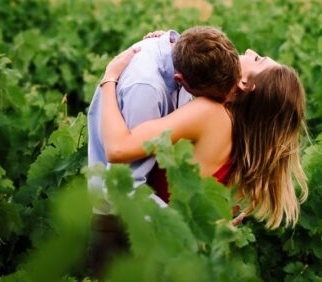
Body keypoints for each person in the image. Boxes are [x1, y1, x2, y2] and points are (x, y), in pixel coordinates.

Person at [99, 41, 309, 231]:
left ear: (245, 84)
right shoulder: (239, 141)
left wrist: (109, 80)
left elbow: (118, 148)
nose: (249, 51)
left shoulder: (210, 114)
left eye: (257, 59)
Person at [86, 26, 241, 277]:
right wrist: (192, 230)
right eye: (205, 100)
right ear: (181, 80)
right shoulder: (147, 89)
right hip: (120, 226)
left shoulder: (179, 50)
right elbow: (125, 187)